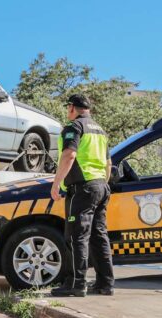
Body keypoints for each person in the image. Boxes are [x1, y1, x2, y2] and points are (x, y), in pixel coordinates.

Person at [50, 94, 115, 297]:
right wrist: (103, 184)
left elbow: (69, 154)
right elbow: (108, 163)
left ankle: (76, 284)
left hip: (82, 188)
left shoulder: (74, 127)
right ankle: (106, 284)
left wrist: (55, 185)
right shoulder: (100, 131)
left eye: (68, 107)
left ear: (72, 108)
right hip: (101, 187)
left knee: (76, 236)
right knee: (99, 236)